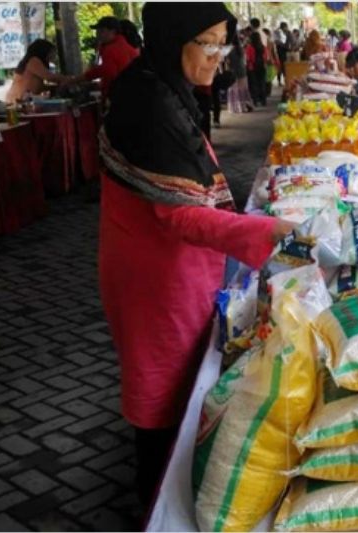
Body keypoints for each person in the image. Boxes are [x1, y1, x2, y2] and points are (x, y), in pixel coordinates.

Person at [99, 2, 293, 509]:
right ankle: (157, 503)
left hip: (178, 263)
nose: (218, 56)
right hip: (156, 275)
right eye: (207, 42)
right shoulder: (146, 102)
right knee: (162, 396)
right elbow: (179, 215)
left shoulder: (166, 90)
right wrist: (269, 233)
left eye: (222, 42)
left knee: (184, 382)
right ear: (172, 39)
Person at [77, 16, 140, 98]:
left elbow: (108, 72)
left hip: (120, 96)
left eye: (101, 31)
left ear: (113, 31)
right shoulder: (125, 46)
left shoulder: (111, 49)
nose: (98, 34)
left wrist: (77, 79)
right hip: (133, 93)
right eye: (97, 31)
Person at [5, 39, 72, 103]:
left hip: (17, 100)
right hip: (18, 101)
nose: (54, 55)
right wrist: (68, 79)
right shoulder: (33, 61)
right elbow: (50, 77)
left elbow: (37, 87)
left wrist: (54, 87)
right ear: (44, 51)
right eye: (52, 52)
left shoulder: (31, 61)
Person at [227, 33, 254, 113]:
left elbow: (228, 62)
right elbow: (244, 60)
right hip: (242, 71)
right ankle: (245, 106)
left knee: (234, 89)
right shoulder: (241, 48)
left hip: (233, 71)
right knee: (243, 89)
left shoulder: (229, 49)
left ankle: (236, 107)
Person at [248, 31, 267, 106]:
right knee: (262, 83)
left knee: (254, 84)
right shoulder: (263, 47)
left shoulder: (250, 47)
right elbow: (265, 57)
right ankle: (263, 101)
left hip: (253, 67)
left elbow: (248, 58)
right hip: (262, 66)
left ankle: (255, 101)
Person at [274, 22, 290, 86]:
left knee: (282, 67)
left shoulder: (281, 33)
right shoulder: (278, 33)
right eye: (286, 27)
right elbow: (278, 42)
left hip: (282, 52)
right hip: (281, 52)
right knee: (282, 67)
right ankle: (281, 80)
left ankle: (282, 80)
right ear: (284, 27)